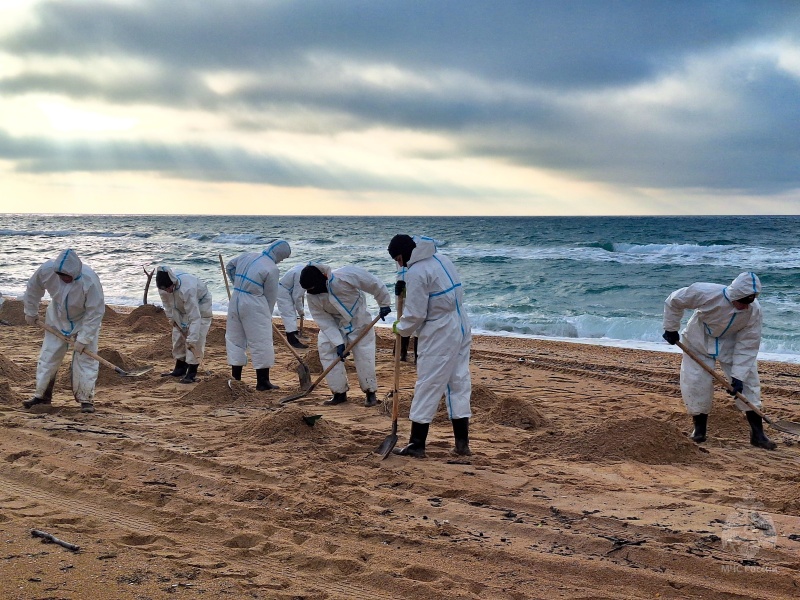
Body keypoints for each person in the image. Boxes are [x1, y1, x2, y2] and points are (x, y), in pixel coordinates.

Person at [663, 271, 776, 450]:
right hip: (698, 340)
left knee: (748, 383)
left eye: (751, 301)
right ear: (734, 295)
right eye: (743, 301)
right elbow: (674, 301)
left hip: (731, 344)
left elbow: (748, 344)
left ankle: (758, 435)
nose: (746, 306)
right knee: (696, 383)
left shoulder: (754, 311)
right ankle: (699, 431)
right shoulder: (705, 293)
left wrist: (738, 376)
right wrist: (671, 328)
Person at [387, 234, 472, 458]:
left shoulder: (416, 272)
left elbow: (415, 314)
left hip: (440, 330)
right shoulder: (441, 259)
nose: (399, 264)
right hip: (461, 323)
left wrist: (400, 328)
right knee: (458, 382)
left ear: (404, 254)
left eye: (398, 259)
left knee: (428, 383)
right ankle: (462, 445)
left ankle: (416, 444)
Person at [22, 249, 104, 413]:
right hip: (57, 317)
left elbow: (95, 312)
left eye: (67, 276)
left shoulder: (90, 281)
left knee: (86, 359)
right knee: (49, 355)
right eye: (60, 276)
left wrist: (84, 338)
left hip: (84, 320)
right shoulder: (47, 271)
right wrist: (30, 312)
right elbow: (33, 288)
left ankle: (86, 399)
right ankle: (42, 396)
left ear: (75, 272)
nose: (63, 279)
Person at [299, 263, 392, 407]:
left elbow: (374, 284)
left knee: (364, 354)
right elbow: (323, 320)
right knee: (326, 349)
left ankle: (370, 393)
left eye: (316, 289)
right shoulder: (312, 295)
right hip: (335, 325)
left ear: (323, 278)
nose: (315, 293)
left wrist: (384, 303)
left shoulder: (346, 275)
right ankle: (339, 393)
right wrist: (338, 343)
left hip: (359, 320)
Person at [226, 240, 291, 391]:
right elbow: (270, 295)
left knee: (235, 338)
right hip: (255, 302)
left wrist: (237, 284)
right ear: (279, 254)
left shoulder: (246, 256)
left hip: (236, 298)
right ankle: (262, 382)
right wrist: (266, 315)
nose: (281, 260)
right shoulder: (272, 268)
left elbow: (230, 266)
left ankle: (236, 379)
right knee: (261, 340)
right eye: (283, 257)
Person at [155, 266, 213, 384]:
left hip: (200, 306)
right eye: (165, 289)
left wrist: (192, 339)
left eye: (169, 288)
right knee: (178, 336)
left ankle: (191, 372)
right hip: (179, 308)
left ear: (173, 282)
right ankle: (180, 368)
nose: (168, 291)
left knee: (196, 338)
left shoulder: (187, 289)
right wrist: (171, 317)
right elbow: (167, 304)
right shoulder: (163, 288)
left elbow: (195, 317)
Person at [276, 263, 308, 349]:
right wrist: (301, 311)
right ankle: (293, 340)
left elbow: (298, 293)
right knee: (289, 315)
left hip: (286, 289)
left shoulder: (303, 268)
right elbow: (296, 296)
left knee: (291, 315)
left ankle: (294, 336)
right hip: (283, 292)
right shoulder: (301, 275)